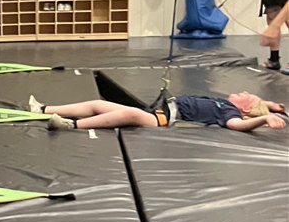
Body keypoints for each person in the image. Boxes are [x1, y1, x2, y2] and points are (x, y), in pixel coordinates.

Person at [29, 92, 286, 132]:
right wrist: (271, 105)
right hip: (159, 109)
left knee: (128, 115)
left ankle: (71, 126)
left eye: (246, 95)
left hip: (161, 120)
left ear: (245, 107)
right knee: (99, 103)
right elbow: (256, 102)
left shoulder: (230, 113)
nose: (242, 91)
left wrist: (263, 117)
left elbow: (238, 126)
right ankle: (43, 109)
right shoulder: (226, 102)